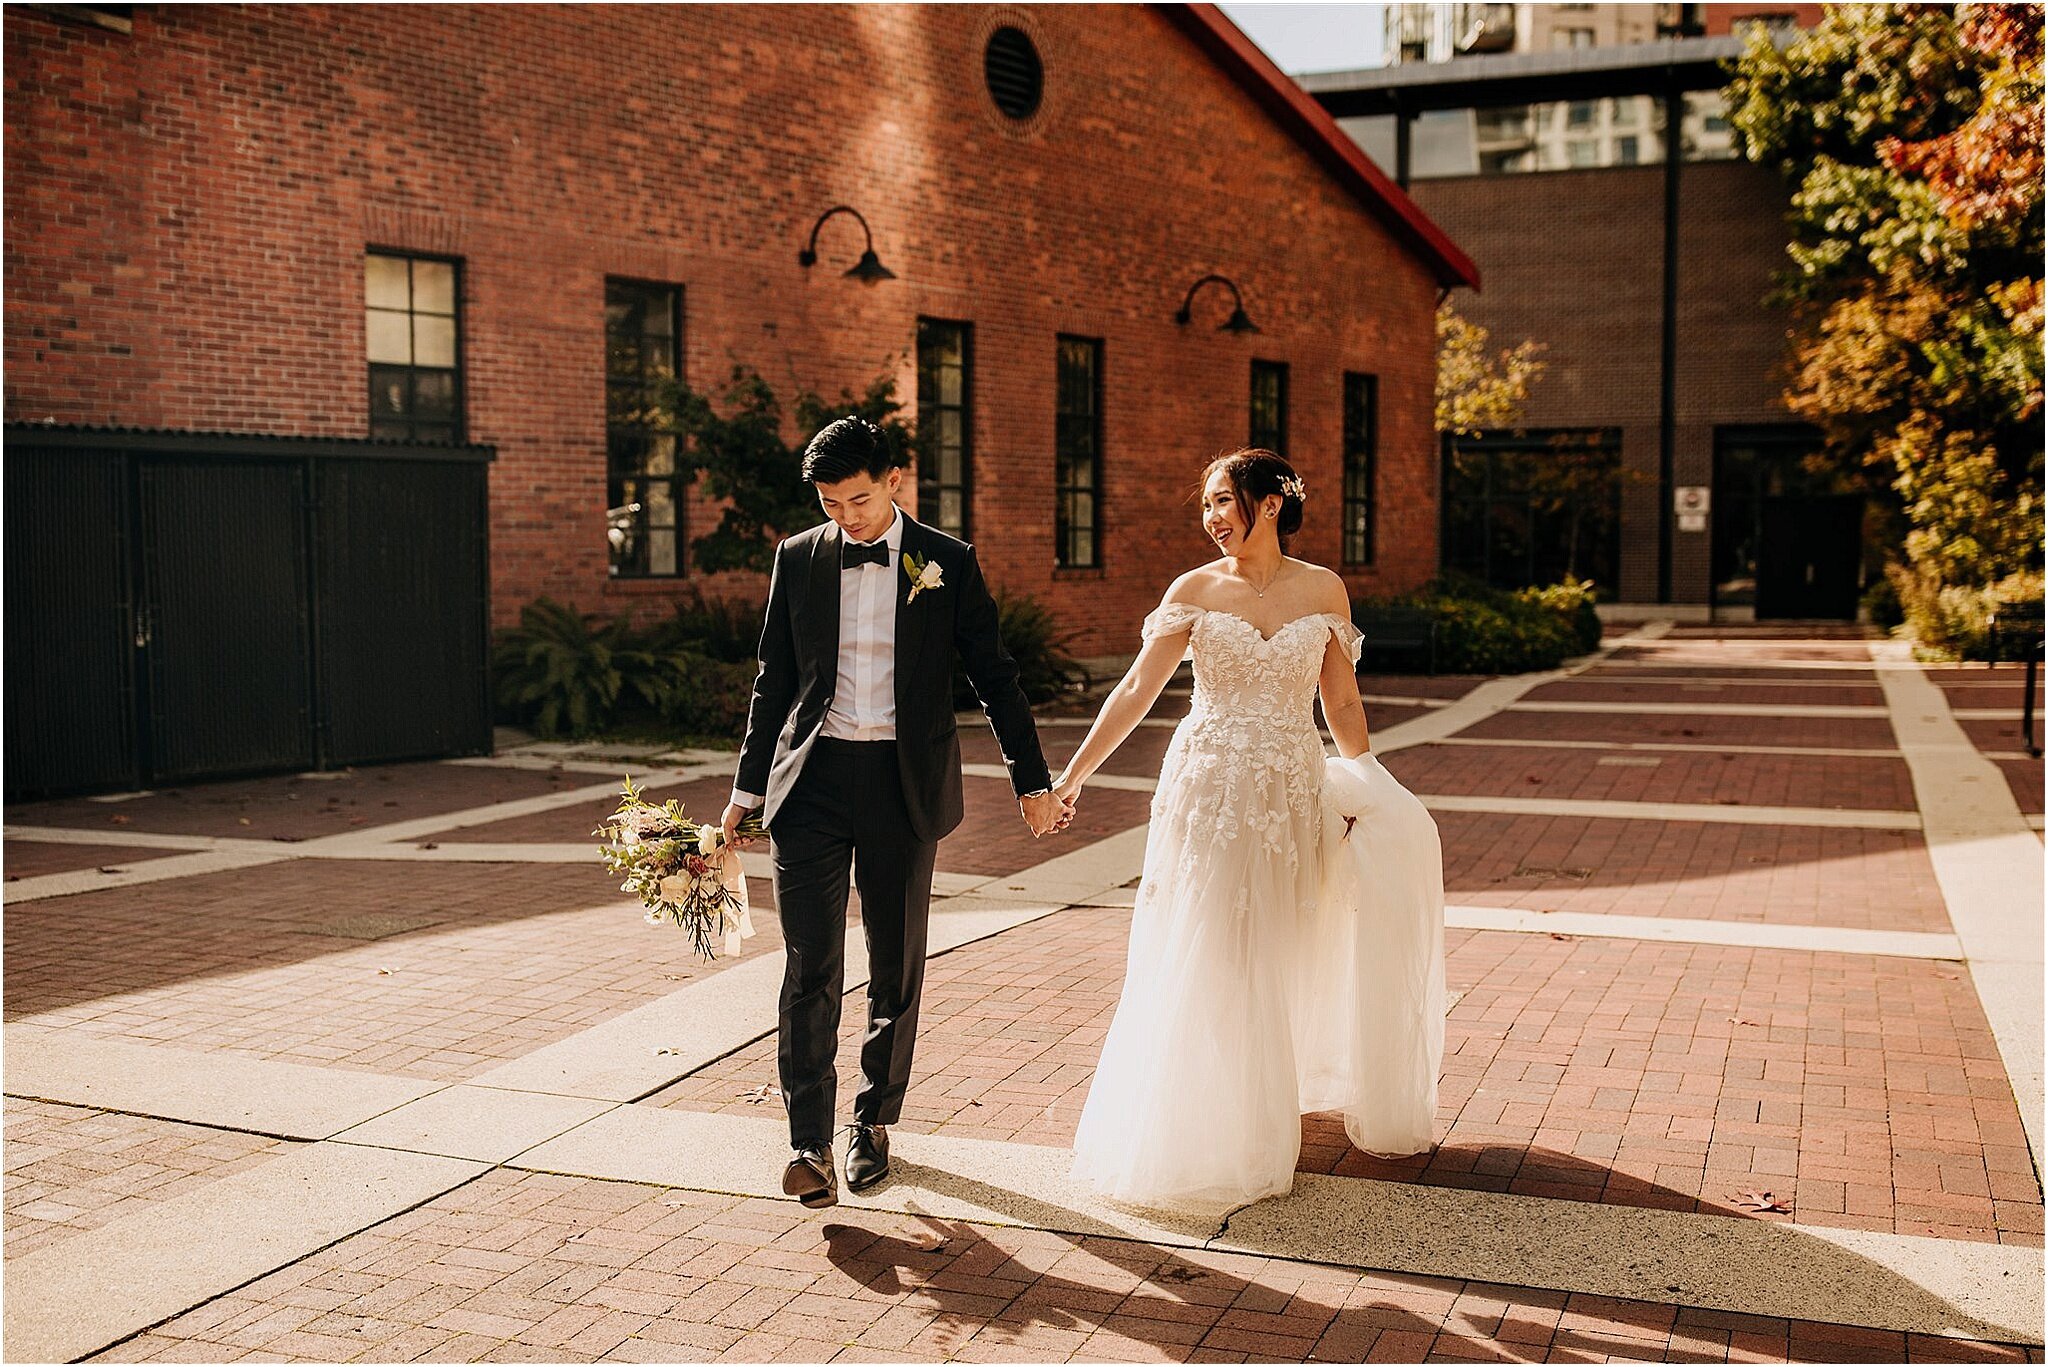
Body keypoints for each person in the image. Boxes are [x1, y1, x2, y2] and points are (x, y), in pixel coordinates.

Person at [1055, 448, 1446, 1214]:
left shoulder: (1323, 588)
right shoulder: (1194, 590)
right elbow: (1138, 688)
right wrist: (1073, 775)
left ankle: (1259, 1104)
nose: (1211, 517)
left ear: (1270, 503)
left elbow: (1340, 701)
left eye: (1222, 500)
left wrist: (1375, 785)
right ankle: (1202, 1125)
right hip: (1209, 788)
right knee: (1208, 941)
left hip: (1291, 786)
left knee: (1273, 944)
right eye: (1205, 504)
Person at [721, 416, 1072, 1210]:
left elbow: (995, 674)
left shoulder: (946, 561)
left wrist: (1032, 779)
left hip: (902, 785)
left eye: (858, 499)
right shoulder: (800, 557)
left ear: (895, 481)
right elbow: (773, 681)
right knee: (810, 961)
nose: (845, 517)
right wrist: (746, 792)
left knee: (894, 967)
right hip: (810, 783)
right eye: (830, 502)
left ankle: (872, 1124)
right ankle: (806, 1141)